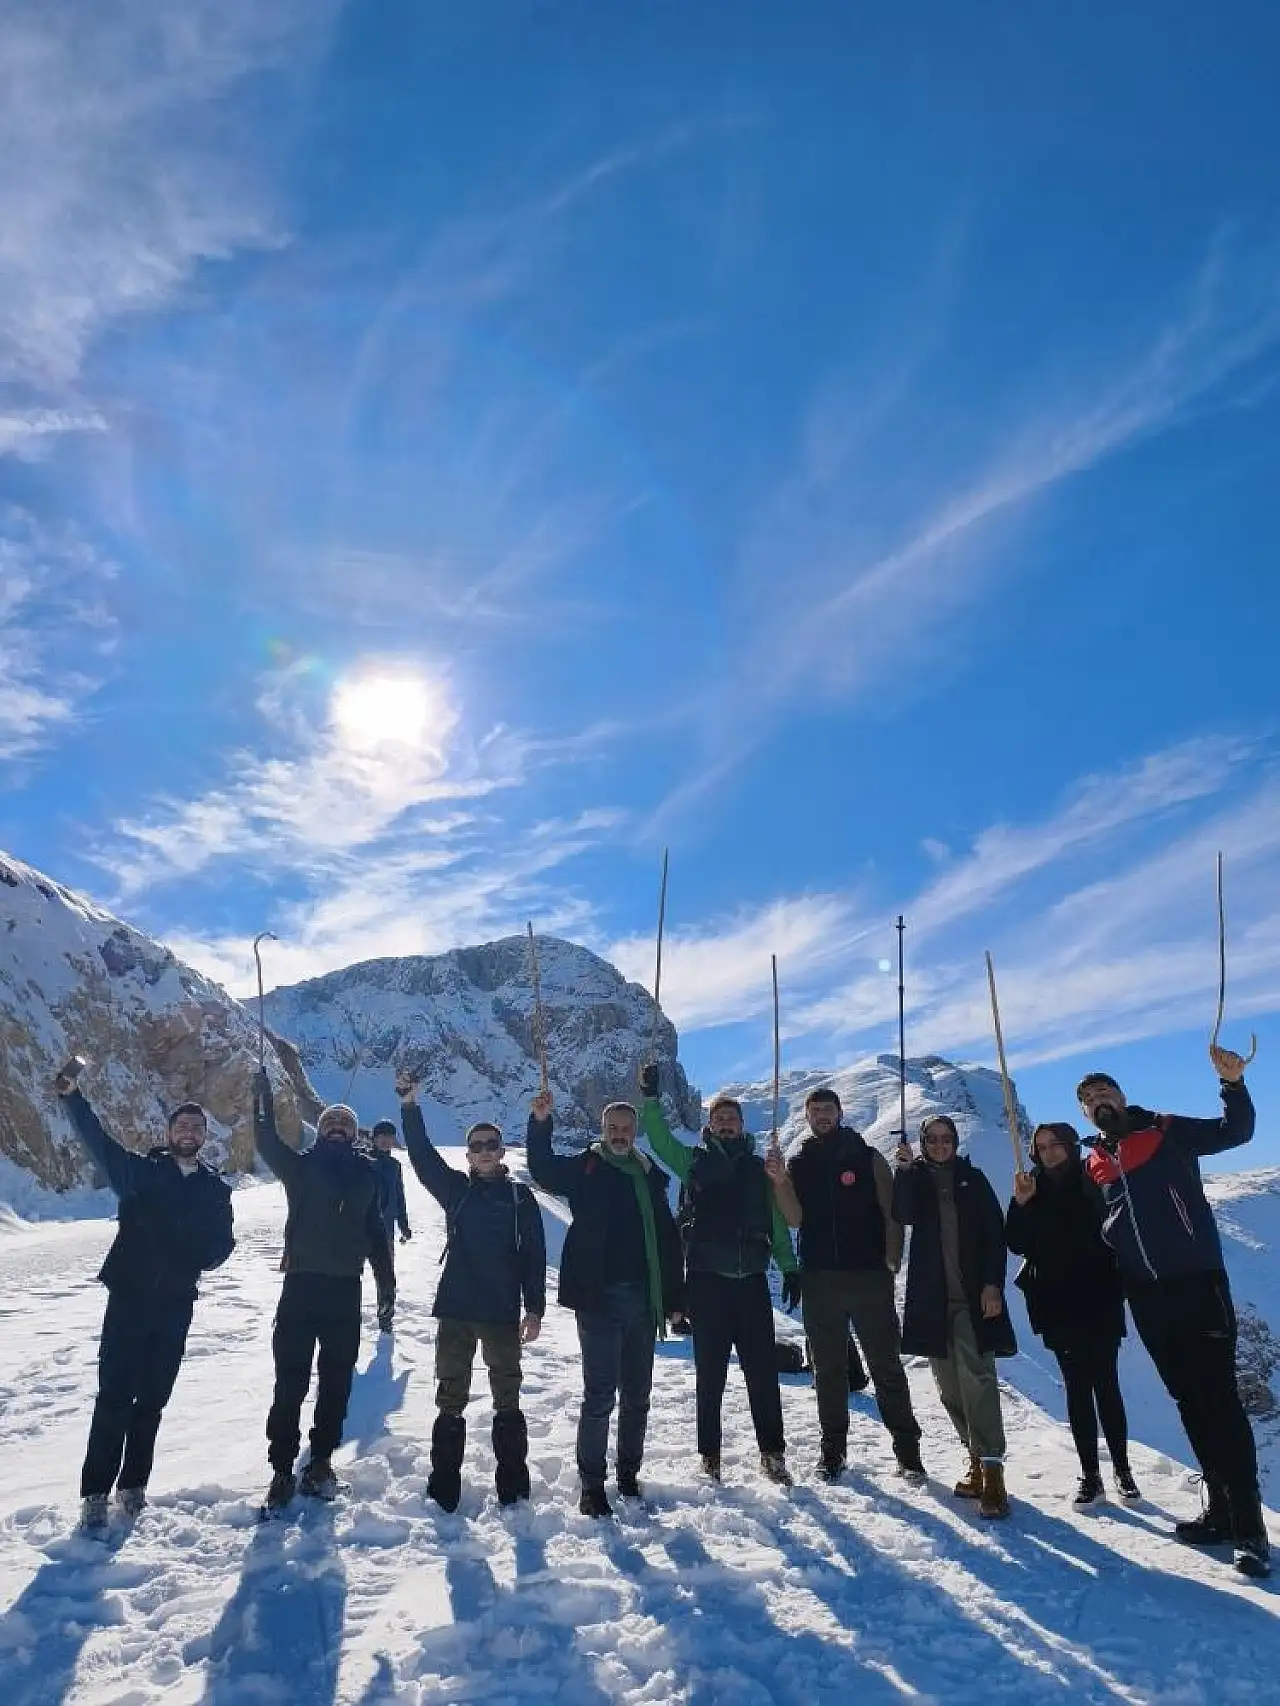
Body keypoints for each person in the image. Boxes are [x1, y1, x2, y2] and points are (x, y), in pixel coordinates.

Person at [1077, 1048, 1268, 1577]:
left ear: (1121, 1096)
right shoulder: (1093, 1163)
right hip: (1147, 1296)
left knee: (1221, 1401)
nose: (1099, 1102)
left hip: (1197, 1285)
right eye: (1090, 1099)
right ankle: (1221, 1512)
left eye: (1105, 1093)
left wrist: (1232, 1084)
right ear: (1085, 1113)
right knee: (1188, 1400)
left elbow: (1236, 1133)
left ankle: (1250, 1529)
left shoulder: (1165, 1130)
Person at [55, 1064, 234, 1532]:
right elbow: (99, 1143)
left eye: (197, 1126)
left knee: (152, 1399)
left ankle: (133, 1485)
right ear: (170, 1131)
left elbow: (223, 1241)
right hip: (130, 1301)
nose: (189, 1131)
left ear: (204, 1136)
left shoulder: (215, 1188)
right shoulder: (139, 1172)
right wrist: (74, 1097)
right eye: (182, 1124)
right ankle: (95, 1492)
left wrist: (206, 1254)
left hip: (176, 1306)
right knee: (114, 1397)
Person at [525, 1090, 684, 1516]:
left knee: (638, 1395)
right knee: (599, 1395)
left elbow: (667, 1239)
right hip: (598, 1299)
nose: (619, 1135)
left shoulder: (649, 1175)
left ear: (635, 1134)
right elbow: (541, 1169)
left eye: (626, 1129)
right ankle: (592, 1484)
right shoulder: (586, 1167)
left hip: (642, 1300)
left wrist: (673, 1297)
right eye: (612, 1128)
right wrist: (540, 1123)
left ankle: (629, 1475)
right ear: (602, 1131)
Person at [638, 1068, 798, 1487]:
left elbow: (775, 1224)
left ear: (742, 1125)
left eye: (733, 1119)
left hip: (751, 1283)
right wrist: (651, 1100)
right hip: (707, 1282)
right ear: (710, 1125)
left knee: (762, 1373)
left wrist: (790, 1267)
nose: (726, 1124)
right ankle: (710, 1455)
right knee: (710, 1375)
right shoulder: (693, 1160)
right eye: (719, 1119)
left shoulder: (759, 1169)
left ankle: (773, 1453)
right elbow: (659, 1141)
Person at [394, 1070, 546, 1511]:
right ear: (468, 1154)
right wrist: (409, 1105)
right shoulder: (456, 1189)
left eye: (491, 1145)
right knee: (451, 1395)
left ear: (502, 1152)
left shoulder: (521, 1198)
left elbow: (534, 1258)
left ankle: (513, 1487)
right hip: (457, 1307)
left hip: (501, 1310)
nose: (484, 1152)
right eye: (476, 1146)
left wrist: (533, 1309)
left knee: (507, 1395)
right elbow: (420, 1156)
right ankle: (444, 1485)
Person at [253, 1073, 393, 1512]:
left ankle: (321, 1462)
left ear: (354, 1135)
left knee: (336, 1382)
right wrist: (263, 1098)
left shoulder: (368, 1175)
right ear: (321, 1130)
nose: (336, 1128)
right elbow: (266, 1141)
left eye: (345, 1125)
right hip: (300, 1287)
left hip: (345, 1291)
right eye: (330, 1122)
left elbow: (375, 1232)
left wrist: (386, 1282)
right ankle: (280, 1468)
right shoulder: (299, 1167)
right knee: (289, 1382)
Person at [784, 1086, 925, 1483]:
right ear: (807, 1117)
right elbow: (793, 1218)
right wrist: (778, 1180)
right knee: (827, 1370)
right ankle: (833, 1451)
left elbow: (890, 1210)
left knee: (885, 1367)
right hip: (819, 1278)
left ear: (840, 1112)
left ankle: (908, 1450)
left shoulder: (867, 1157)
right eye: (816, 1111)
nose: (822, 1117)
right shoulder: (800, 1162)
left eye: (828, 1110)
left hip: (868, 1277)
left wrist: (892, 1260)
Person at [1006, 1122, 1137, 1506]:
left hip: (1098, 1294)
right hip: (1055, 1299)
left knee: (1106, 1384)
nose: (1048, 1152)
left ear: (1069, 1146)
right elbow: (1015, 1242)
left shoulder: (1091, 1179)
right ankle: (1091, 1475)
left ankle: (1123, 1471)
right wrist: (1021, 1204)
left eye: (1054, 1145)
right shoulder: (1031, 1187)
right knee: (1078, 1387)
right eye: (1041, 1146)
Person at [893, 1115, 1015, 1519]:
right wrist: (905, 1172)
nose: (941, 1145)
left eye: (947, 1139)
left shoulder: (972, 1179)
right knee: (948, 1385)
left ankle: (993, 1469)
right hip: (932, 1300)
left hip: (973, 1297)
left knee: (978, 1377)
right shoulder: (918, 1177)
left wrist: (993, 1285)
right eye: (933, 1139)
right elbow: (902, 1213)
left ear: (955, 1141)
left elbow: (995, 1235)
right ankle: (975, 1459)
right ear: (924, 1142)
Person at [370, 1119, 412, 1332]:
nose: (387, 1140)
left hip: (385, 1227)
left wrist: (403, 1223)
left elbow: (399, 1195)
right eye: (382, 1136)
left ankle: (386, 1314)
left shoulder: (395, 1166)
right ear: (374, 1138)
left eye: (390, 1136)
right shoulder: (363, 1160)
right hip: (360, 1224)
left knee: (386, 1274)